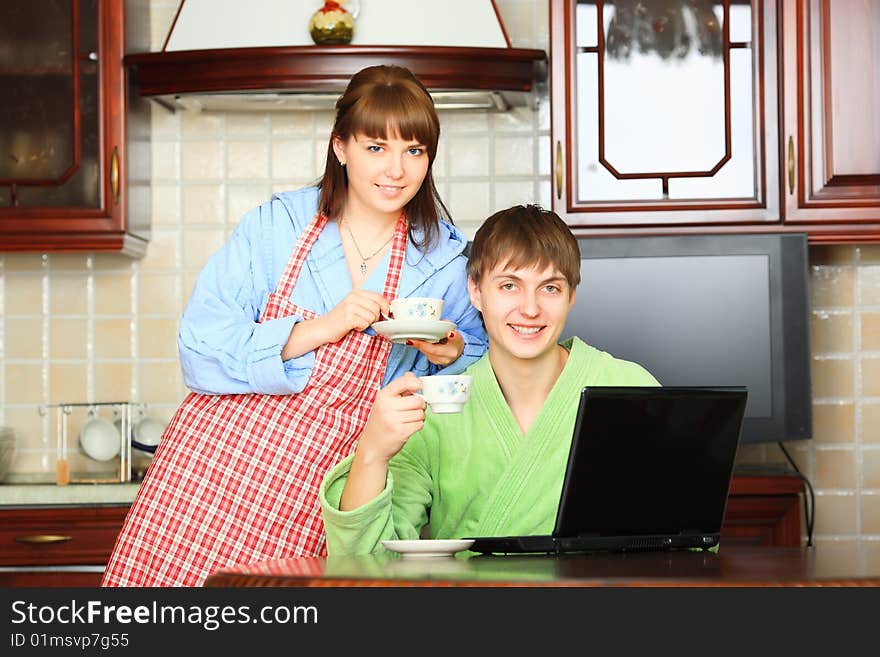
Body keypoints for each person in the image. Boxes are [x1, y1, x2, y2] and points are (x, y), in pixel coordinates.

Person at [102, 65, 487, 586]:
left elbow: (480, 355)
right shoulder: (278, 224)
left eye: (414, 151)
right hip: (213, 469)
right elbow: (199, 346)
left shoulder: (444, 256)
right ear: (341, 146)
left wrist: (448, 347)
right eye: (376, 147)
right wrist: (319, 328)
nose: (396, 170)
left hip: (320, 483)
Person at [318, 204, 659, 555]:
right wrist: (372, 453)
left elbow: (680, 537)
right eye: (509, 285)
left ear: (572, 295)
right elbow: (366, 563)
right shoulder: (435, 408)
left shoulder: (629, 386)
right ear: (476, 291)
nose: (530, 308)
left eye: (550, 288)